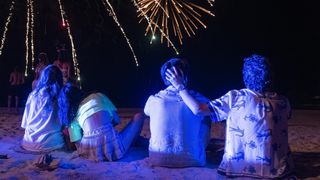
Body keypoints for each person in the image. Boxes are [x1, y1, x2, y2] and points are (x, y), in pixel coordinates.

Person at [166, 54, 293, 178]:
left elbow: (198, 109)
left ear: (246, 76)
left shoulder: (236, 97)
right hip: (278, 172)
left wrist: (179, 86)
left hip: (237, 170)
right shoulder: (283, 102)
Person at [144, 58, 211, 167]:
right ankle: (197, 151)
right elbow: (208, 111)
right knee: (206, 118)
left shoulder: (153, 99)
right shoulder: (199, 99)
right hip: (193, 161)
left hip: (156, 160)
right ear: (186, 76)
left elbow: (146, 112)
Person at [59, 82, 145, 162]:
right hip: (113, 148)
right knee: (139, 117)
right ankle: (132, 143)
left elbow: (78, 144)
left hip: (89, 153)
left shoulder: (72, 118)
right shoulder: (98, 96)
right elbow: (117, 120)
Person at [21, 65, 65, 152]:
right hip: (52, 144)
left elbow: (25, 123)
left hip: (28, 143)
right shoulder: (60, 95)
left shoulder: (32, 95)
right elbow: (64, 122)